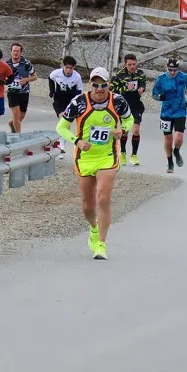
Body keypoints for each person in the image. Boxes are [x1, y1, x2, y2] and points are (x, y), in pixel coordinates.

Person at [56, 67, 134, 260]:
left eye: (103, 85)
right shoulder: (79, 102)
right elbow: (61, 127)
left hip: (107, 156)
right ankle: (93, 228)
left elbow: (130, 119)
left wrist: (122, 129)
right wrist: (77, 141)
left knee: (104, 198)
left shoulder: (118, 101)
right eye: (95, 84)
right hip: (85, 158)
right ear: (90, 84)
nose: (99, 89)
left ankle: (101, 244)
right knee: (87, 206)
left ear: (109, 85)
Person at [151, 57, 187, 174]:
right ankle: (170, 162)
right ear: (167, 68)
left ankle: (177, 151)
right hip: (166, 112)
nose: (172, 72)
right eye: (170, 70)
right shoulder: (161, 79)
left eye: (174, 70)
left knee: (178, 137)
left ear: (178, 69)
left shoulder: (184, 77)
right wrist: (160, 97)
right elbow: (153, 94)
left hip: (180, 110)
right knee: (168, 139)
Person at [109, 53, 147, 166]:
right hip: (123, 106)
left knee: (136, 130)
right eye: (129, 64)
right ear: (125, 64)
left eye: (134, 64)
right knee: (125, 131)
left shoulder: (140, 73)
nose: (132, 66)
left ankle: (134, 155)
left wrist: (141, 89)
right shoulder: (119, 75)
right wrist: (125, 88)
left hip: (136, 105)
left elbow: (143, 84)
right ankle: (123, 152)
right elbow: (112, 90)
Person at [5, 42, 38, 133]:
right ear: (11, 52)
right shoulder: (6, 64)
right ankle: (18, 137)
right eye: (14, 51)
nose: (15, 53)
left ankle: (12, 124)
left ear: (21, 52)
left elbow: (35, 76)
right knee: (16, 114)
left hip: (24, 92)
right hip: (12, 92)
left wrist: (26, 79)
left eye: (17, 51)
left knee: (21, 116)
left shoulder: (26, 63)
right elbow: (1, 77)